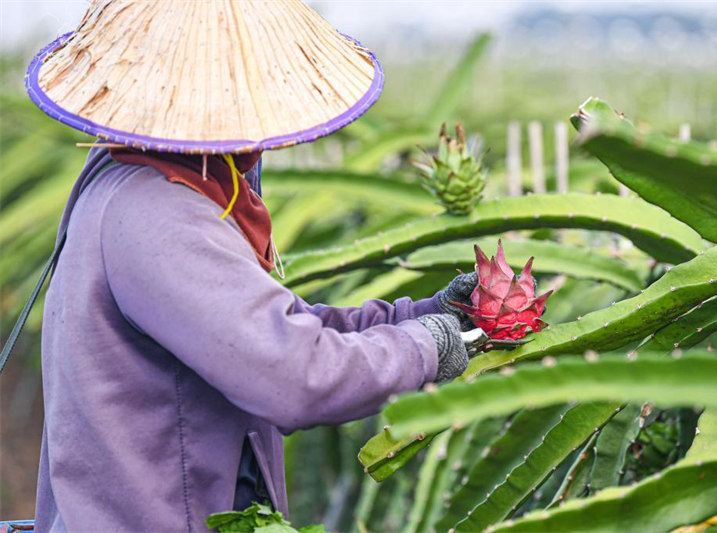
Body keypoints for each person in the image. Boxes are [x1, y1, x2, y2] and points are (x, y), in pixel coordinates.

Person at [22, 1, 478, 531]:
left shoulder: (141, 179)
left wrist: (420, 314)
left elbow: (270, 327)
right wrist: (426, 346)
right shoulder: (161, 214)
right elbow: (292, 374)